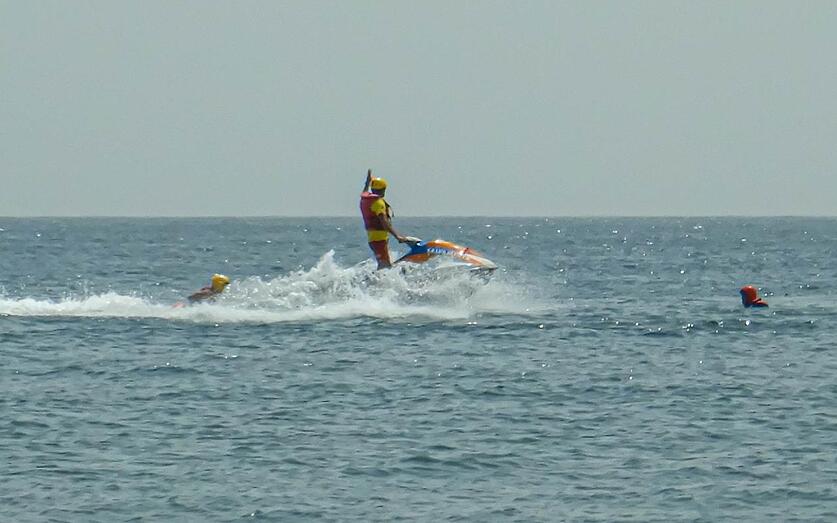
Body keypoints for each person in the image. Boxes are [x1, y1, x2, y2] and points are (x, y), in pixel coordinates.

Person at [360, 169, 407, 269]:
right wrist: (397, 236)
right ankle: (375, 279)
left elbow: (365, 191)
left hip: (374, 238)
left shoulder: (365, 199)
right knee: (385, 266)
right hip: (379, 239)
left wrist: (367, 182)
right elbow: (385, 223)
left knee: (385, 264)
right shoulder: (378, 203)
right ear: (383, 189)